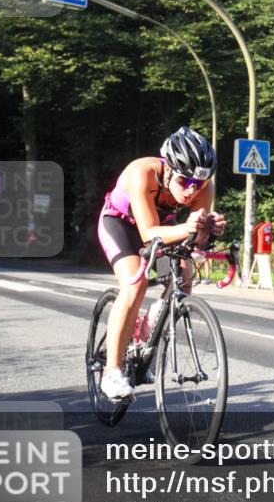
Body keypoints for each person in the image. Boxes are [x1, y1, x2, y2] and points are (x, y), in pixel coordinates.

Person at [96, 126, 226, 399]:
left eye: (198, 184)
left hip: (163, 230)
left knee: (185, 279)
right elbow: (147, 234)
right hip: (121, 225)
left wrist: (207, 230)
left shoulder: (204, 187)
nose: (191, 191)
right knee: (136, 284)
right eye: (184, 182)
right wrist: (190, 228)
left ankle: (151, 330)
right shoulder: (142, 172)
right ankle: (112, 372)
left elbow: (196, 240)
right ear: (167, 170)